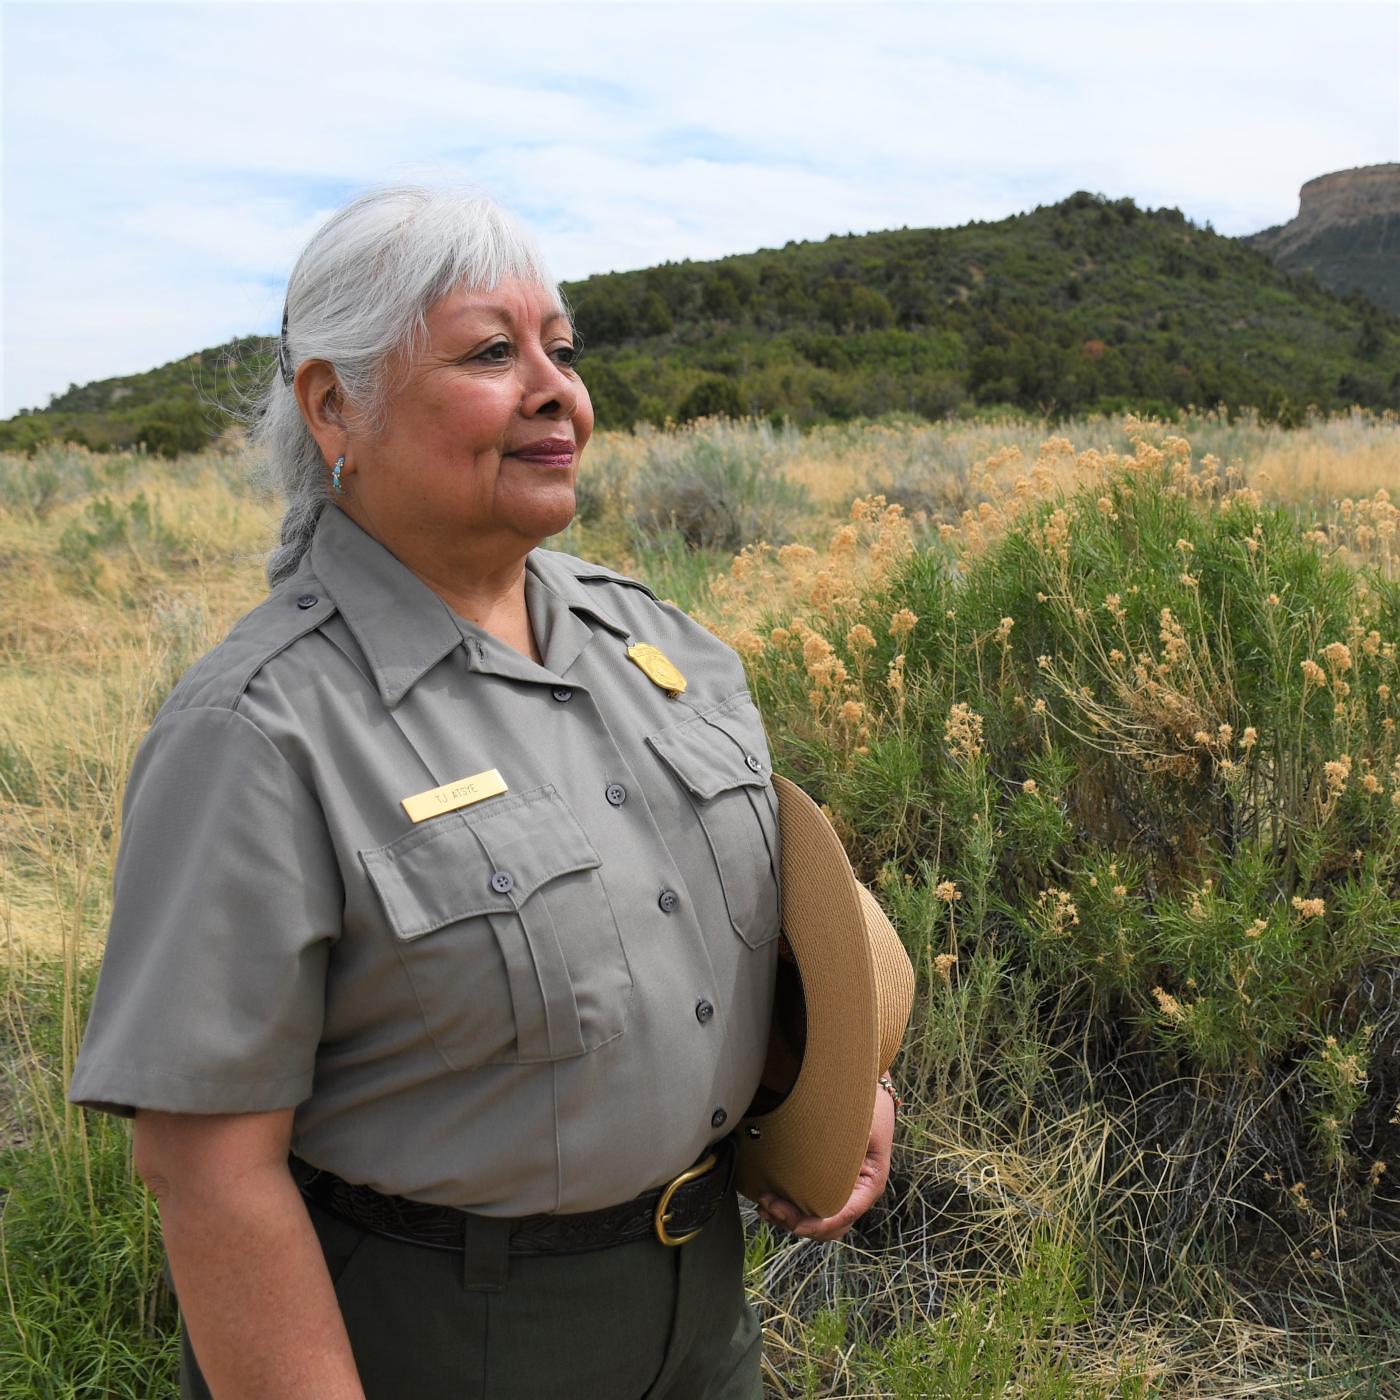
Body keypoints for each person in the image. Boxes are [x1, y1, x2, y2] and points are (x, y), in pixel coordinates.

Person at [68, 185, 895, 1400]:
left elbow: (750, 933)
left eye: (560, 349)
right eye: (491, 351)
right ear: (334, 401)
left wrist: (840, 1079)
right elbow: (207, 1174)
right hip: (438, 1339)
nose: (555, 388)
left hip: (704, 1317)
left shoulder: (659, 647)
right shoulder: (258, 730)